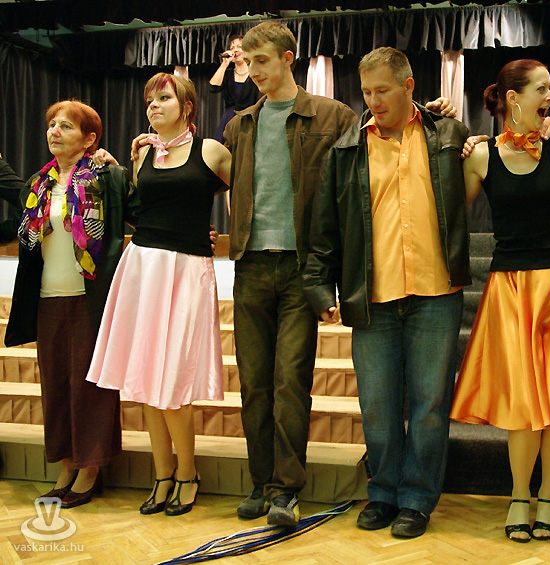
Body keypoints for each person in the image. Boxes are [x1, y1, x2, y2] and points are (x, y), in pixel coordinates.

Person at [221, 21, 455, 525]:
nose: (252, 70)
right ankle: (266, 483)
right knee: (256, 384)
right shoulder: (240, 126)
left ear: (288, 58)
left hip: (306, 266)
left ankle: (293, 490)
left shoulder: (334, 118)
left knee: (293, 381)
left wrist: (434, 113)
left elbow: (336, 200)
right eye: (246, 61)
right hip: (254, 266)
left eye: (260, 60)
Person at [303, 46, 470, 538]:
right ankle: (383, 493)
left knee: (429, 406)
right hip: (372, 297)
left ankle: (417, 499)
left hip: (436, 293)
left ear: (408, 86)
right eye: (367, 92)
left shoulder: (448, 135)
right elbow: (325, 226)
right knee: (377, 407)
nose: (373, 101)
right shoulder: (347, 148)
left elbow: (484, 163)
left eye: (382, 91)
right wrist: (319, 286)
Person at [450, 59, 550, 543]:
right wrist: (455, 145)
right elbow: (446, 212)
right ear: (513, 98)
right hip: (509, 289)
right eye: (543, 88)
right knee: (522, 400)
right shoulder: (481, 156)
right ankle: (520, 495)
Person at [86, 73, 231, 517]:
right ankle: (163, 474)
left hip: (187, 270)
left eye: (164, 97)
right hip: (143, 266)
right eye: (150, 99)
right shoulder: (143, 153)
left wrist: (220, 236)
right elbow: (140, 210)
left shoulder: (212, 150)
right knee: (146, 381)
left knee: (174, 382)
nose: (153, 105)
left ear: (187, 106)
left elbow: (245, 198)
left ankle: (188, 473)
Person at [4, 101, 139, 508]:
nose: (55, 131)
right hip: (47, 299)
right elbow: (21, 229)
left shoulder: (106, 177)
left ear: (89, 138)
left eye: (66, 126)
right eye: (51, 124)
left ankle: (90, 468)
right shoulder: (39, 184)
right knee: (57, 387)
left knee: (89, 387)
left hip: (89, 299)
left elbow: (143, 215)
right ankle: (67, 465)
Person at [208, 35, 259, 143]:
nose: (235, 50)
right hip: (228, 120)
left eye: (239, 47)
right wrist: (225, 64)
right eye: (232, 48)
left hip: (248, 121)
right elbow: (213, 87)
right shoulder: (228, 74)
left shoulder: (255, 74)